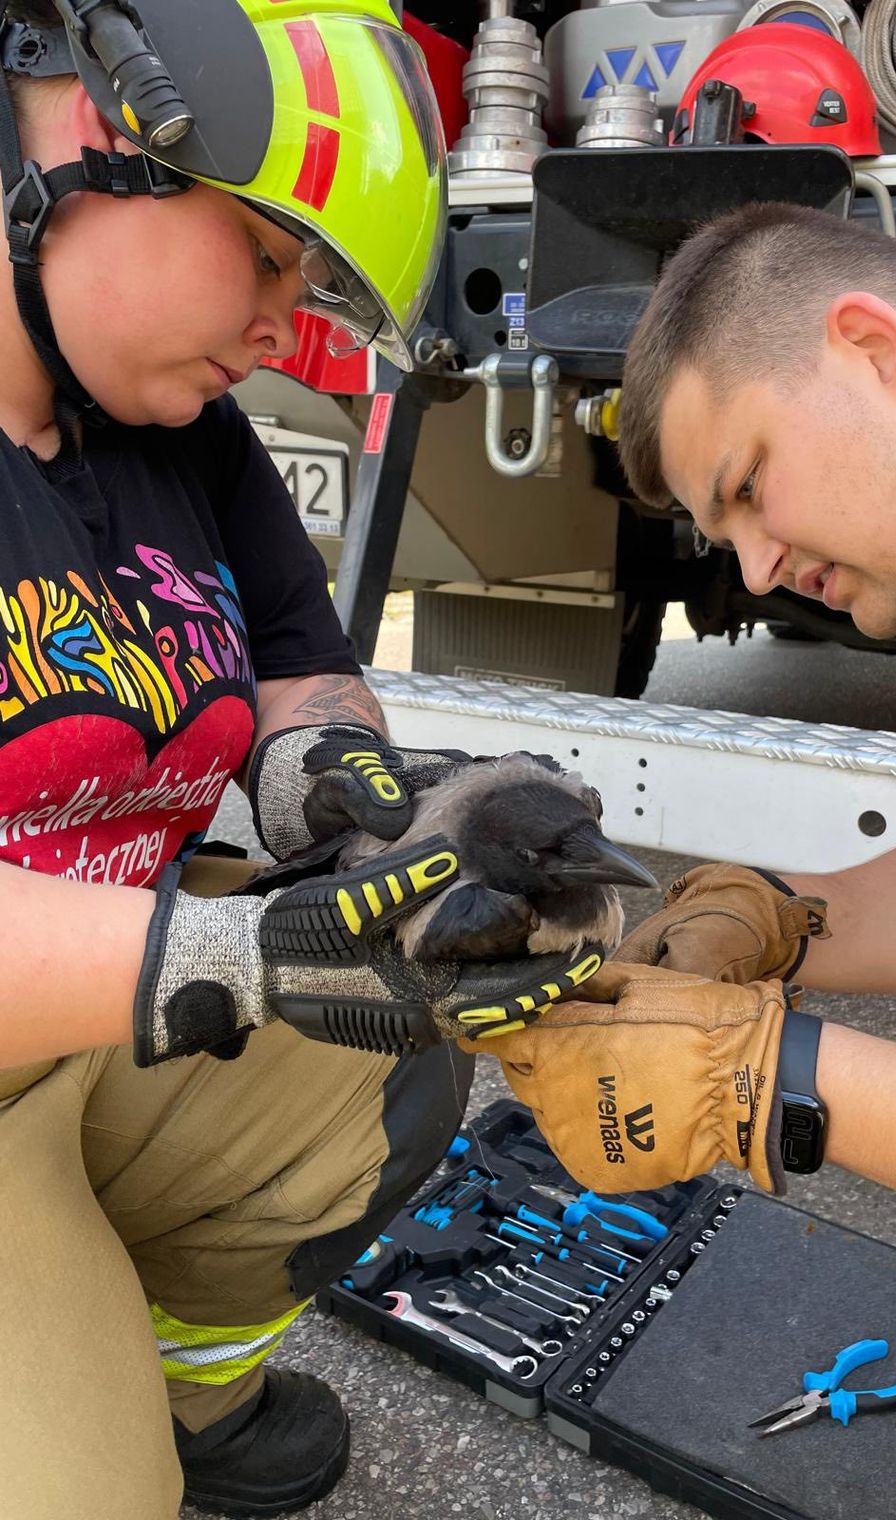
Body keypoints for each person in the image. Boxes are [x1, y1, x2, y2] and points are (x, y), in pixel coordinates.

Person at [0, 4, 594, 1516]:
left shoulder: (176, 428)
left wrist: (365, 800)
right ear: (85, 133)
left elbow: (300, 668)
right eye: (269, 256)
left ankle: (196, 1402)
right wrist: (237, 943)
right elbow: (211, 947)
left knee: (382, 1061)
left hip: (81, 1017)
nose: (285, 326)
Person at [479, 201, 896, 1520]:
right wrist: (766, 916)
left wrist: (759, 1079)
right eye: (727, 544)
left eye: (749, 485)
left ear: (872, 350)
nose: (762, 566)